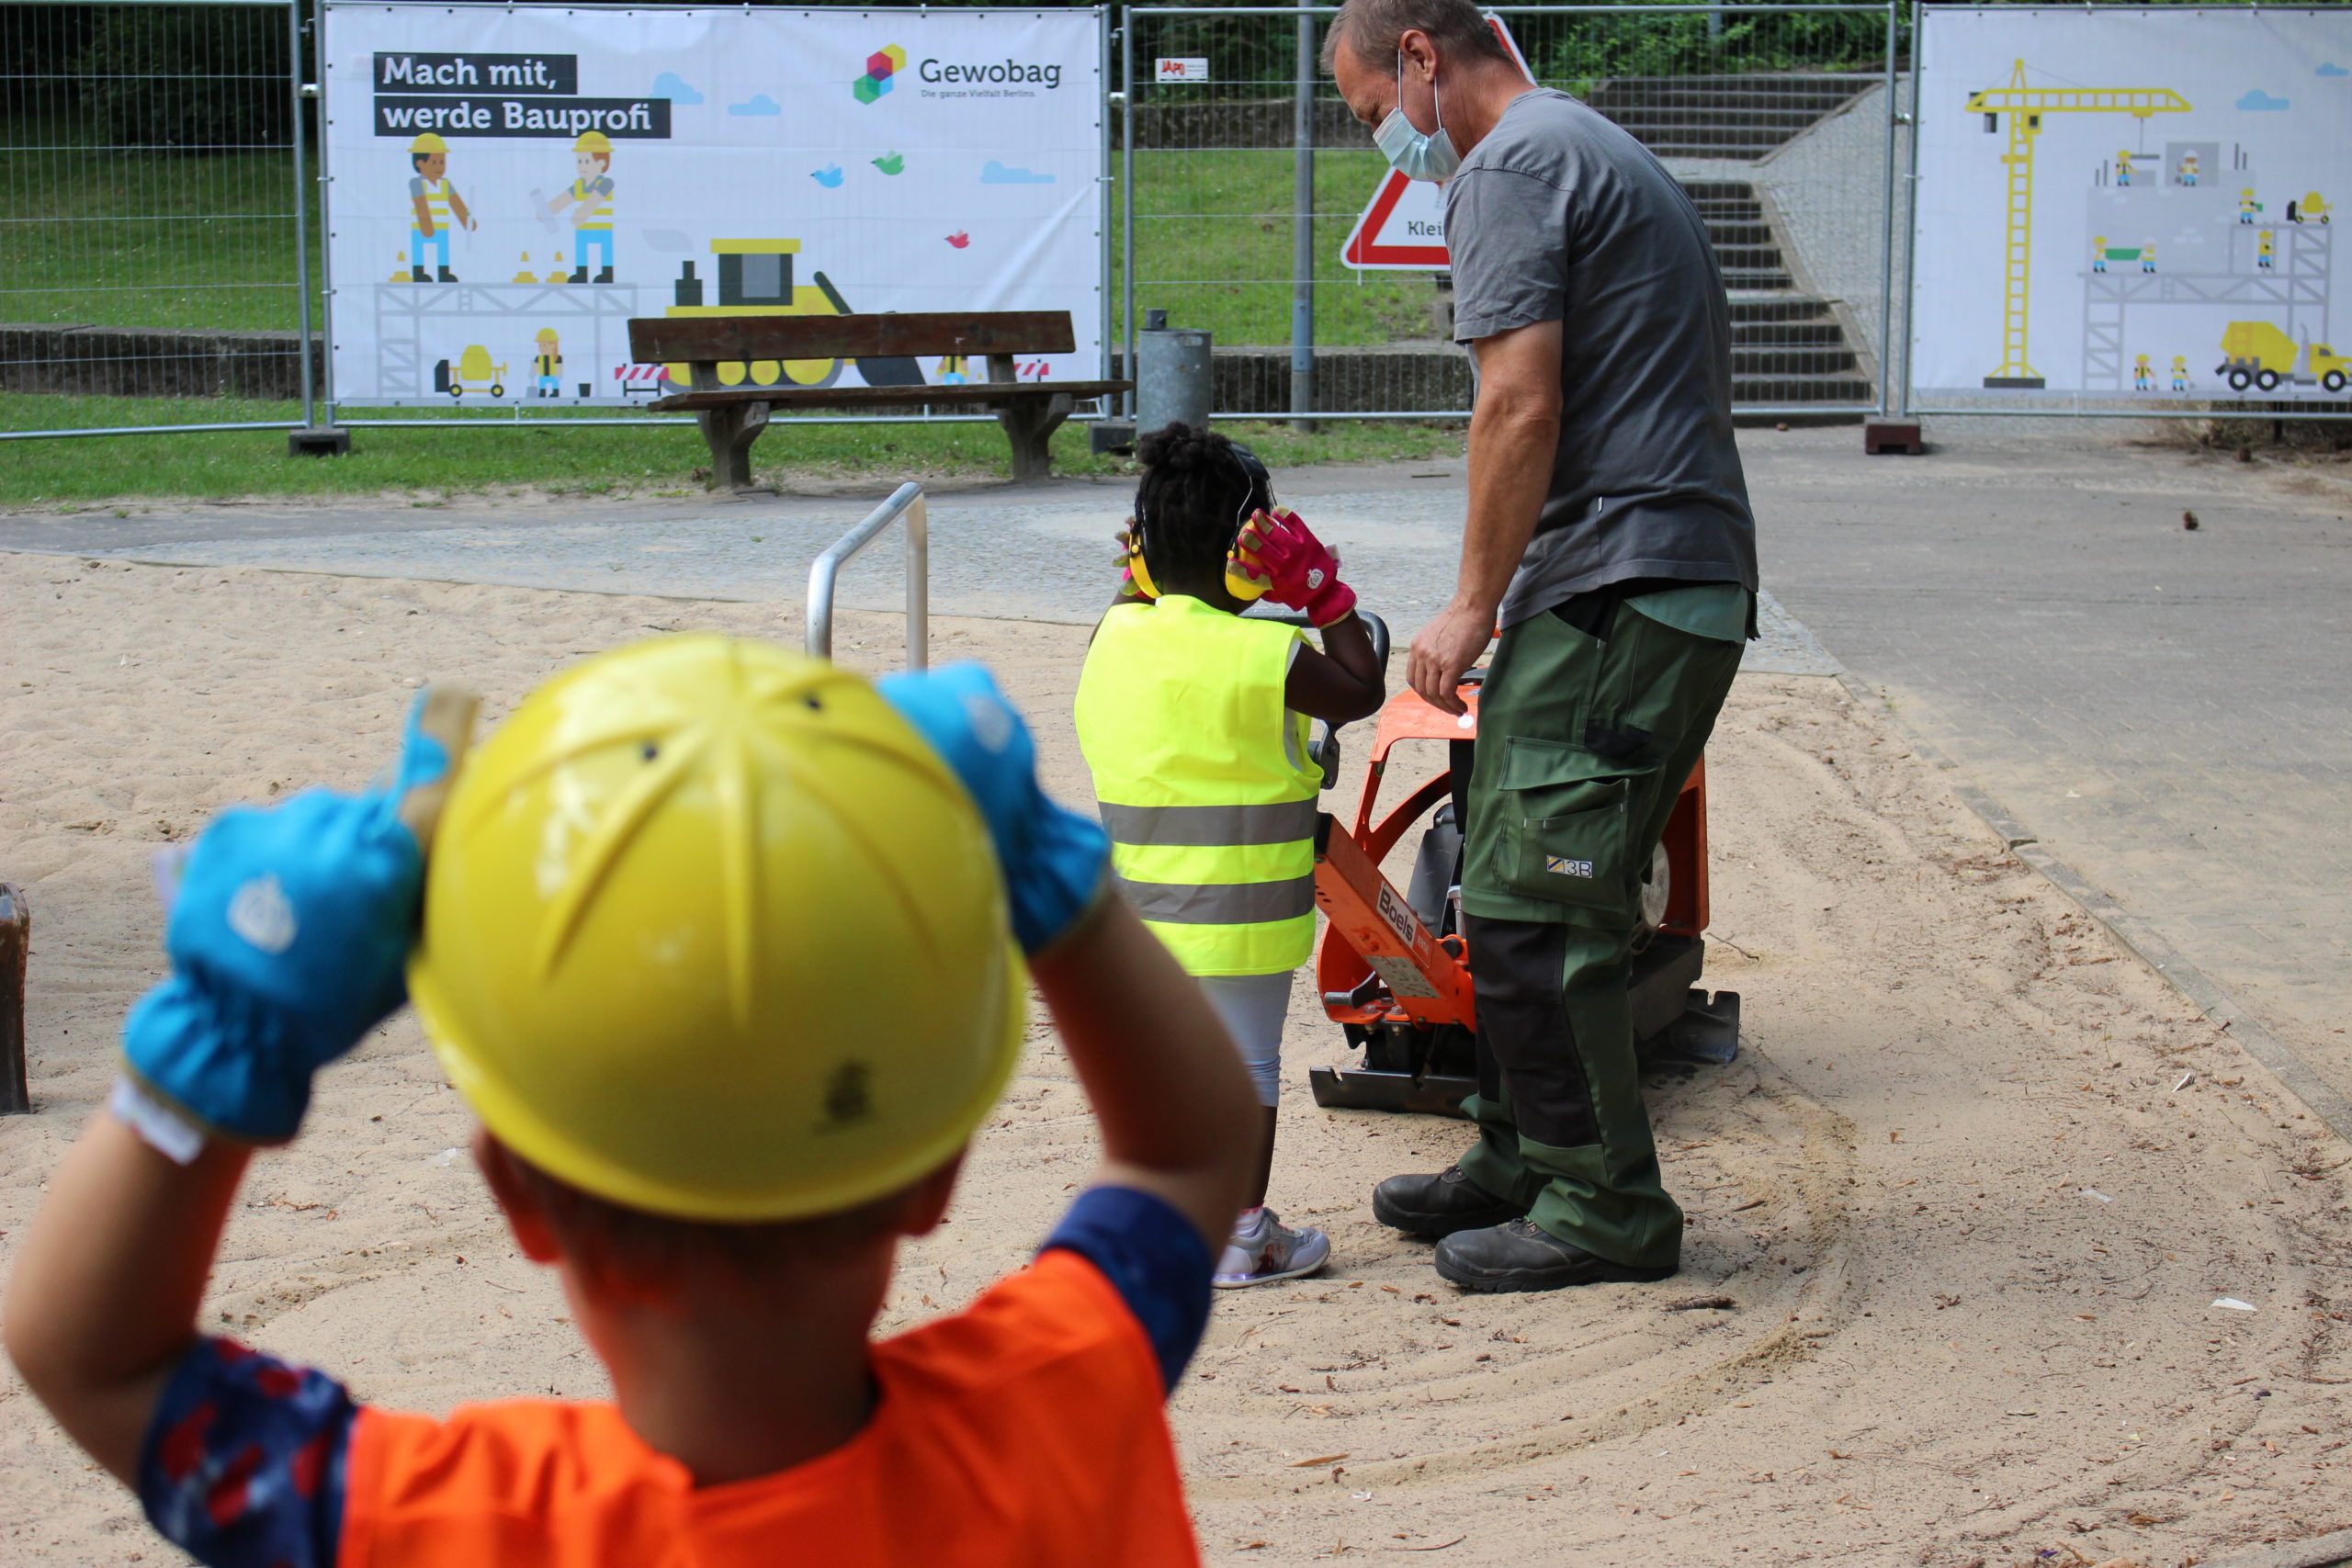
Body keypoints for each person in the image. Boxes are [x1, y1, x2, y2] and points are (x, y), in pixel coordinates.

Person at [5, 637, 1261, 1567]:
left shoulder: (437, 1528)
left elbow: (93, 1355)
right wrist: (1046, 871)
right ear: (934, 1177)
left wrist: (224, 1041)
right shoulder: (1057, 1404)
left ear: (518, 1194)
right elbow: (1187, 1156)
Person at [1325, 0, 1758, 1293]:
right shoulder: (1589, 145)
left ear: (1421, 58)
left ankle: (1603, 1208)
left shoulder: (1509, 167)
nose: (1383, 144)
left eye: (1370, 114)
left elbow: (1517, 402)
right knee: (1508, 879)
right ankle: (1517, 1154)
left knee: (1528, 902)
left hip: (1631, 585)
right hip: (1626, 579)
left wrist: (1467, 602)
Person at [1075, 423, 1385, 1288]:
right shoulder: (1267, 653)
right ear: (1249, 560)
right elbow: (1362, 687)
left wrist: (1145, 569)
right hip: (1242, 913)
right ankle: (1239, 1236)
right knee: (1246, 1067)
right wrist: (1321, 594)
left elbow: (1143, 603)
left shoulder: (1114, 636)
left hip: (1141, 911)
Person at [548, 131, 616, 284]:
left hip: (602, 227)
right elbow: (563, 200)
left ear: (602, 163)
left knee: (605, 252)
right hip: (583, 228)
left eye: (586, 161)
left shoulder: (605, 183)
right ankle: (582, 274)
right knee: (581, 252)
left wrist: (583, 214)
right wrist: (547, 211)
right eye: (579, 161)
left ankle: (606, 274)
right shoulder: (578, 186)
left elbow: (594, 200)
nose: (581, 166)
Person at [406, 133, 473, 284]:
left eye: (442, 162)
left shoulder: (445, 184)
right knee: (419, 251)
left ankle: (443, 274)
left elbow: (457, 204)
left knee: (442, 251)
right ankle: (419, 274)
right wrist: (426, 225)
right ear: (420, 163)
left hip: (442, 226)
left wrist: (467, 221)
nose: (439, 167)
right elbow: (420, 204)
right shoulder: (416, 184)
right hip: (421, 227)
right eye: (434, 162)